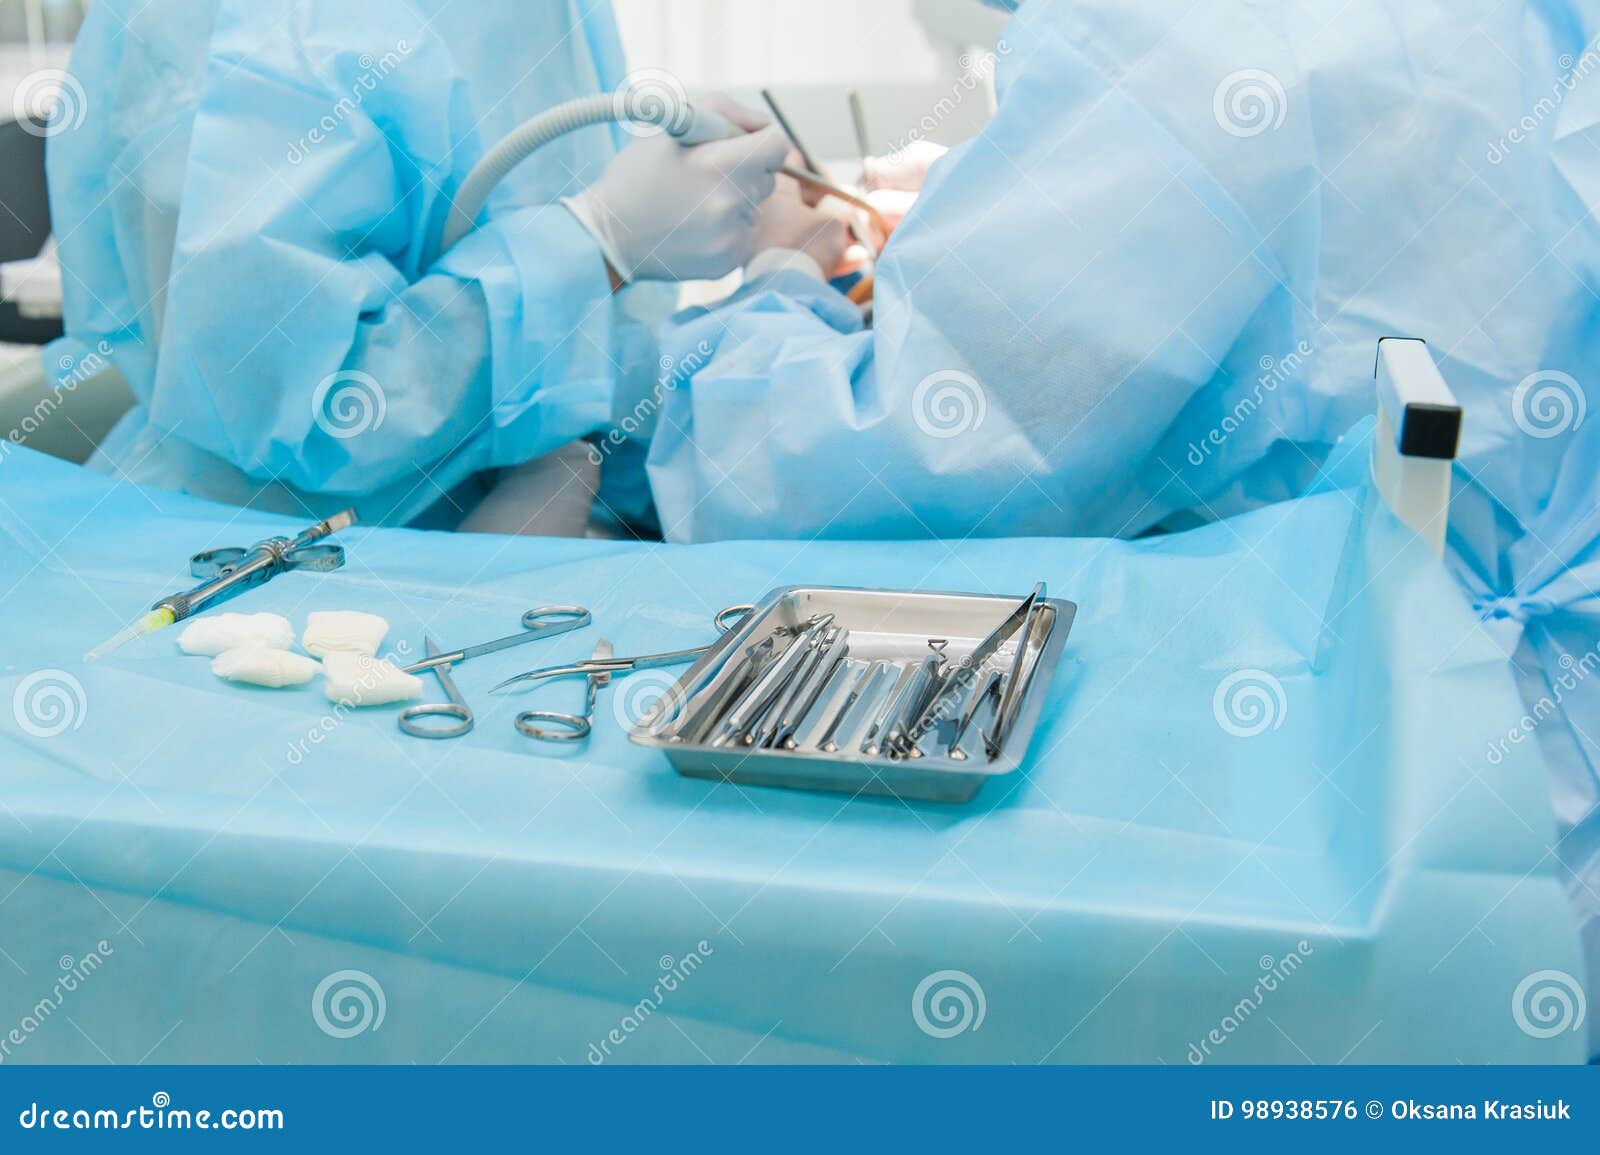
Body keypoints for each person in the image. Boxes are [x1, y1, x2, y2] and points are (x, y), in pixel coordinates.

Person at [645, 0, 1600, 1054]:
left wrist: (772, 285)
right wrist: (998, 209)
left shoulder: (1185, 33)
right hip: (1528, 786)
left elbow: (887, 470)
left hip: (1393, 821)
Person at [45, 0, 839, 530]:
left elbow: (569, 369)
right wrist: (597, 243)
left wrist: (767, 284)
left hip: (490, 547)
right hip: (282, 556)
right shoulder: (265, 27)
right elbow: (301, 402)